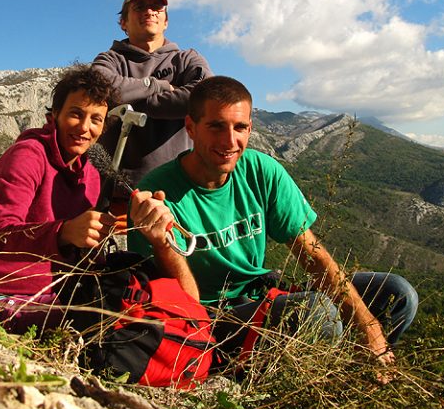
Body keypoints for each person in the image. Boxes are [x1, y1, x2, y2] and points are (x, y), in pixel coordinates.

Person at [128, 75, 418, 377]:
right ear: (191, 127)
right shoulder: (159, 194)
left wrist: (369, 329)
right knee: (319, 313)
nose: (230, 141)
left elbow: (313, 255)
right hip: (211, 321)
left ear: (250, 128)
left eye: (240, 127)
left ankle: (360, 373)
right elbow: (182, 308)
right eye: (216, 126)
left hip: (262, 297)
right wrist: (162, 243)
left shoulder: (260, 170)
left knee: (398, 294)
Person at [0, 65, 193, 333]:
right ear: (56, 115)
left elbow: (77, 253)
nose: (85, 127)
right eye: (76, 114)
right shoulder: (27, 156)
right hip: (5, 293)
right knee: (119, 323)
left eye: (96, 119)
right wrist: (63, 232)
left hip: (62, 290)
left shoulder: (91, 174)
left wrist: (97, 239)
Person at [92, 0, 213, 185]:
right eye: (139, 7)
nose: (149, 11)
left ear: (166, 22)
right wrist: (159, 86)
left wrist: (131, 106)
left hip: (179, 191)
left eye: (157, 7)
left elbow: (204, 98)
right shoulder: (109, 60)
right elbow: (100, 88)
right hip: (117, 193)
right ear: (123, 22)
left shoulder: (188, 59)